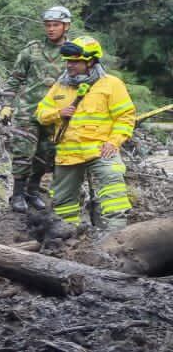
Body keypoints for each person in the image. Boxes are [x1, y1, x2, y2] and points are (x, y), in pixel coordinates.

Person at [36, 35, 135, 232]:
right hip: (68, 154)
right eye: (68, 62)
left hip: (101, 149)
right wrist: (58, 113)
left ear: (90, 61)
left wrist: (114, 142)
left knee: (112, 185)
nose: (69, 66)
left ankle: (117, 235)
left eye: (75, 61)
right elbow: (40, 113)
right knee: (63, 200)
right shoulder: (60, 85)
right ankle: (68, 236)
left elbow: (126, 117)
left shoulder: (111, 84)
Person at [2, 6, 73, 212]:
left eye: (55, 25)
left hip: (56, 114)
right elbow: (15, 78)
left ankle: (32, 192)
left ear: (66, 26)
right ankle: (17, 195)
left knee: (46, 155)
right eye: (48, 25)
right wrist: (7, 104)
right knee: (23, 153)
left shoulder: (72, 52)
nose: (51, 29)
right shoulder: (31, 49)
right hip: (28, 110)